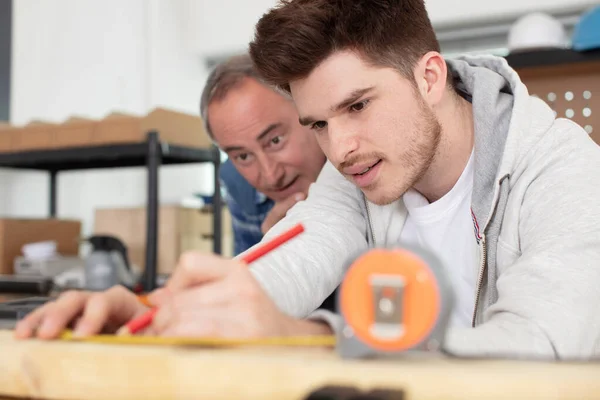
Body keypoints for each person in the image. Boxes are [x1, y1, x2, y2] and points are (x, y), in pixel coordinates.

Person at [15, 0, 600, 361]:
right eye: (317, 123)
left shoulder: (564, 170)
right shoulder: (362, 176)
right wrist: (154, 310)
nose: (340, 149)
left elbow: (539, 349)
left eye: (359, 105)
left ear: (428, 76)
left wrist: (312, 336)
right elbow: (290, 261)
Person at [200, 54, 326, 256]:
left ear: (311, 113)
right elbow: (248, 283)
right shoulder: (239, 184)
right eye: (243, 157)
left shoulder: (368, 162)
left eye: (275, 141)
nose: (271, 176)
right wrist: (274, 256)